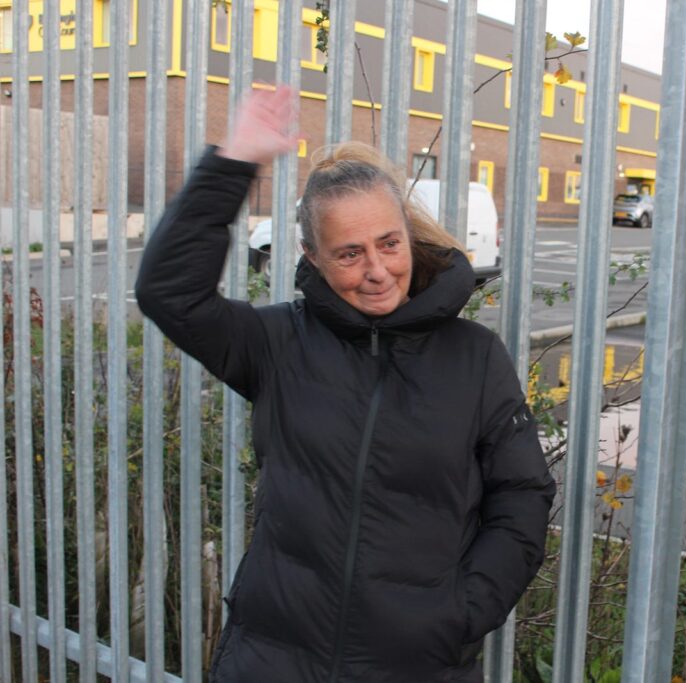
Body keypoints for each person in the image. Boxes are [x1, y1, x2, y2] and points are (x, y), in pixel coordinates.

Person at [135, 85, 555, 682]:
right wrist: (232, 163)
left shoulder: (475, 358)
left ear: (409, 237)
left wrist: (461, 613)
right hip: (271, 659)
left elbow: (522, 496)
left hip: (416, 663)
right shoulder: (277, 345)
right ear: (312, 255)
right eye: (350, 254)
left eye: (389, 244)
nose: (378, 270)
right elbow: (168, 293)